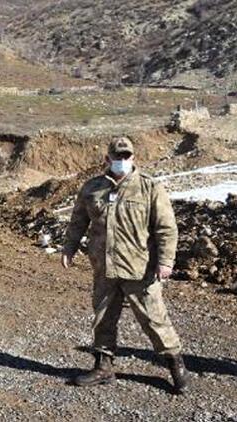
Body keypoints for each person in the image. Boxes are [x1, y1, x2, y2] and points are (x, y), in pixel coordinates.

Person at [62, 137, 191, 394]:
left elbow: (166, 228)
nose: (122, 161)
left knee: (154, 320)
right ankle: (103, 367)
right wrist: (69, 247)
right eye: (117, 157)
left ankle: (176, 365)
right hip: (104, 267)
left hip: (140, 268)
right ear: (107, 159)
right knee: (103, 319)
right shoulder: (92, 188)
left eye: (126, 156)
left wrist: (166, 261)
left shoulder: (149, 187)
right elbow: (78, 221)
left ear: (133, 158)